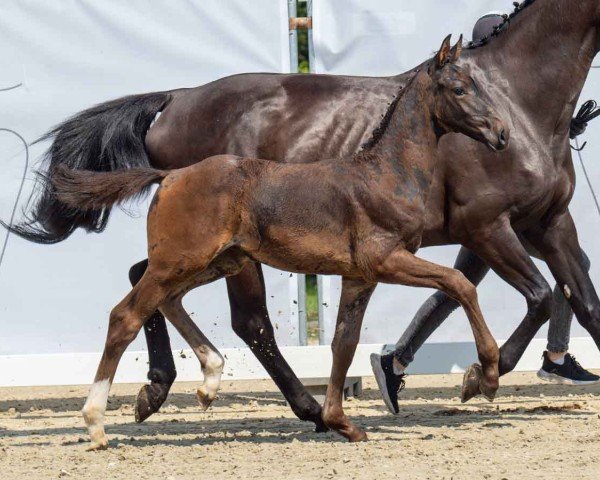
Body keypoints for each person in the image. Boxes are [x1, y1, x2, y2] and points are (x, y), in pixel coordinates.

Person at [370, 12, 599, 415]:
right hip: (497, 209)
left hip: (495, 211)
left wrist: (570, 129)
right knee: (571, 262)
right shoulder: (480, 97)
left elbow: (535, 131)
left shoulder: (509, 93)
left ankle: (398, 358)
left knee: (461, 285)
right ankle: (556, 356)